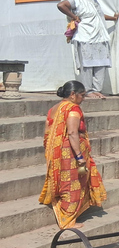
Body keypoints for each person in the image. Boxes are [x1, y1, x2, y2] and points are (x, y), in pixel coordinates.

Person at [38, 80, 107, 229]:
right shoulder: (73, 109)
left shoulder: (54, 109)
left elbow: (47, 133)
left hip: (57, 152)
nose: (83, 99)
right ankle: (68, 220)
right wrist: (80, 157)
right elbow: (72, 132)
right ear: (72, 94)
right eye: (82, 95)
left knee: (65, 181)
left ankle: (64, 209)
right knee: (73, 183)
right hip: (70, 152)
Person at [57, 0, 119, 99]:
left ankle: (97, 89)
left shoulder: (94, 1)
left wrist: (113, 18)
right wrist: (73, 16)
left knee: (101, 65)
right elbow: (61, 5)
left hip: (99, 37)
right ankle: (88, 90)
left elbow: (99, 16)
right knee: (87, 65)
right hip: (85, 37)